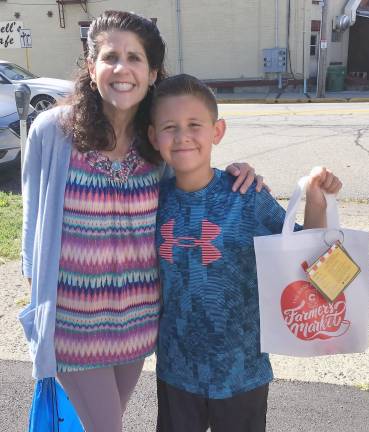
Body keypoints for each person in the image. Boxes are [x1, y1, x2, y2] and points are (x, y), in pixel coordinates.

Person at [19, 11, 262, 432]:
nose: (121, 69)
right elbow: (32, 227)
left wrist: (237, 173)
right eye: (110, 56)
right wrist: (42, 313)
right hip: (75, 324)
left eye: (135, 58)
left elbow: (194, 182)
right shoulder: (53, 131)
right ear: (91, 66)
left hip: (139, 321)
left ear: (152, 73)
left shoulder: (156, 138)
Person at [148, 74, 343, 432]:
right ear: (152, 136)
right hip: (177, 368)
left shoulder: (245, 195)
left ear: (217, 131)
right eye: (169, 127)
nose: (182, 136)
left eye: (195, 125)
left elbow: (308, 253)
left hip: (242, 369)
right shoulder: (151, 202)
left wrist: (316, 200)